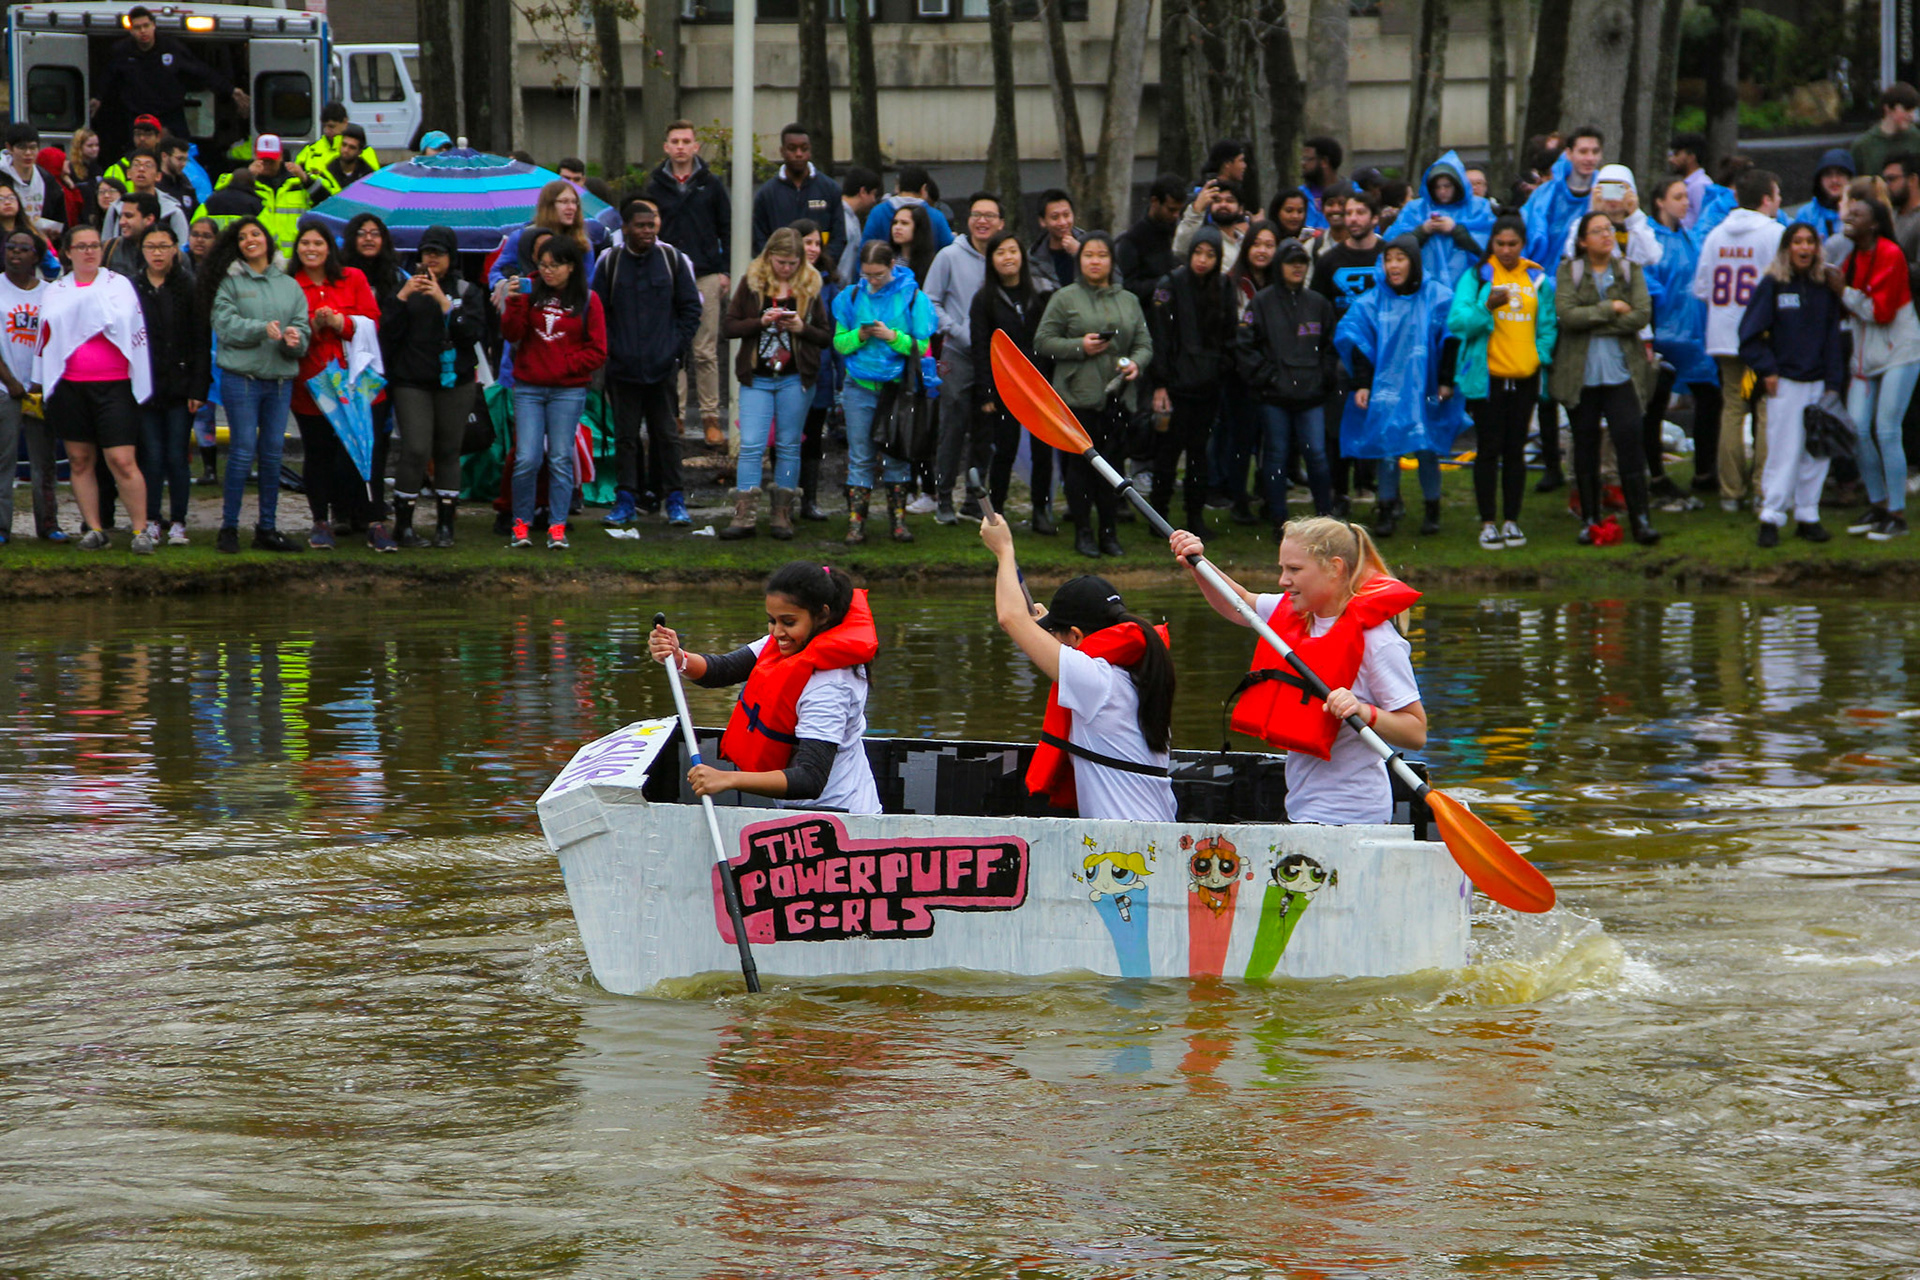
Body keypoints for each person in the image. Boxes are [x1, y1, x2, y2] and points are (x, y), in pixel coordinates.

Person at [1178, 515, 1426, 824]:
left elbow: (1416, 732)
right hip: (1302, 806)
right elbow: (1238, 602)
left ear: (1334, 568)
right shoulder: (1296, 614)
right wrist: (1198, 564)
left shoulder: (1379, 642)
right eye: (1283, 568)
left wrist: (1363, 711)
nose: (1283, 580)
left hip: (1354, 814)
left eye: (1294, 570)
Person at [648, 564, 882, 816]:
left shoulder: (830, 686)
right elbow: (722, 670)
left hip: (845, 817)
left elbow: (811, 779)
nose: (777, 632)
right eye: (772, 620)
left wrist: (727, 779)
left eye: (788, 622)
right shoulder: (789, 642)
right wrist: (678, 657)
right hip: (797, 814)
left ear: (822, 615)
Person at [32, 224, 152, 552]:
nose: (89, 252)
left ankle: (141, 530)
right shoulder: (56, 291)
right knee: (79, 458)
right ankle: (95, 529)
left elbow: (126, 322)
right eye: (81, 246)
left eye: (94, 245)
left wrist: (89, 310)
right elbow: (47, 336)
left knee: (122, 459)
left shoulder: (119, 286)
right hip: (70, 386)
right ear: (68, 252)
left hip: (115, 385)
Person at [1333, 234, 1462, 538]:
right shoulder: (1372, 301)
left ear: (1413, 262)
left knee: (1426, 448)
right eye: (1388, 259)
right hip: (1387, 389)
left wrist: (1445, 380)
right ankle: (1386, 508)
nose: (1393, 265)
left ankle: (1432, 509)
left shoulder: (1437, 296)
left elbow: (1451, 338)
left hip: (1424, 386)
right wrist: (1362, 384)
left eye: (1400, 259)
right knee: (1388, 449)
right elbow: (1358, 340)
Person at [1035, 233, 1152, 558]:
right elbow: (1042, 341)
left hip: (1118, 398)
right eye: (1089, 255)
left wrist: (1136, 363)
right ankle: (1083, 532)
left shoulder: (1128, 300)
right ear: (1079, 260)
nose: (1095, 261)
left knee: (1112, 468)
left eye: (1102, 255)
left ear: (1112, 261)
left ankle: (1109, 533)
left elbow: (1144, 343)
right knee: (1080, 469)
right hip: (1077, 397)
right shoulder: (1064, 298)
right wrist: (1079, 346)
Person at [592, 197, 703, 528]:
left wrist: (675, 348)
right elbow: (597, 311)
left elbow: (691, 308)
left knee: (667, 435)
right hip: (622, 369)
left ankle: (675, 499)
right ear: (625, 228)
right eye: (640, 226)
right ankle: (626, 499)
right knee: (625, 437)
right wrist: (611, 350)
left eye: (651, 225)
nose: (647, 231)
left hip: (662, 366)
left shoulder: (672, 260)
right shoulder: (610, 263)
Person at [1447, 213, 1556, 551]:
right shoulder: (1478, 275)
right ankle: (1487, 523)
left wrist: (1538, 357)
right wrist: (1487, 306)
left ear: (1523, 244)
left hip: (1524, 377)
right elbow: (1458, 321)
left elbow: (1547, 326)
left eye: (1513, 244)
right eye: (1500, 244)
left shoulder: (1537, 279)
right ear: (1491, 244)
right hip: (1488, 378)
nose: (1507, 250)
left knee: (1515, 450)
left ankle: (1511, 520)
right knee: (1488, 449)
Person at [198, 217, 306, 553]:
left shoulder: (290, 285)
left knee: (272, 455)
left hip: (279, 381)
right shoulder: (229, 282)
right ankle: (229, 528)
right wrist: (261, 329)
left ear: (268, 240)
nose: (250, 240)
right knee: (243, 452)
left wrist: (296, 339)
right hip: (241, 380)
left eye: (255, 234)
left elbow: (302, 327)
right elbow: (224, 325)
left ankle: (267, 529)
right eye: (242, 237)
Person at [1736, 223, 1846, 547]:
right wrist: (1768, 370)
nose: (1804, 248)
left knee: (1818, 452)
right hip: (1785, 382)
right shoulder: (1773, 284)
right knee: (1784, 452)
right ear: (1787, 248)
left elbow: (1833, 338)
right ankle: (1771, 516)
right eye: (1797, 242)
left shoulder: (1824, 287)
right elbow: (1749, 335)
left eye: (1810, 242)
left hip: (1819, 382)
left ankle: (1808, 515)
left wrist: (1833, 383)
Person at [1554, 210, 1660, 545]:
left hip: (1622, 374)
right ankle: (1590, 519)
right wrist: (1610, 308)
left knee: (1630, 442)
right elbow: (1567, 316)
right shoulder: (1569, 271)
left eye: (1609, 230)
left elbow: (1641, 315)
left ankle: (1641, 519)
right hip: (1580, 376)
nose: (1606, 235)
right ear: (1583, 241)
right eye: (1598, 231)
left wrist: (1594, 322)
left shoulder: (1630, 269)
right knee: (1585, 446)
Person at [717, 227, 830, 540]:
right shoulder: (752, 282)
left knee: (789, 444)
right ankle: (744, 515)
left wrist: (800, 327)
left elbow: (825, 336)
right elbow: (729, 327)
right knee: (752, 444)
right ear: (769, 256)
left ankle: (782, 513)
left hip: (796, 377)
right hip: (757, 378)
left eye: (793, 263)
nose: (787, 268)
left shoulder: (811, 285)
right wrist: (761, 322)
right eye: (781, 262)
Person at [496, 235, 606, 550]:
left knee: (559, 458)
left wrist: (566, 364)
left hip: (568, 390)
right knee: (526, 458)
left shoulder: (588, 299)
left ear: (571, 267)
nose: (547, 271)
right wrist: (515, 302)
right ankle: (521, 524)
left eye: (555, 265)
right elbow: (511, 333)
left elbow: (598, 350)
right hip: (529, 388)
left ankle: (557, 526)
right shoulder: (528, 291)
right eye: (543, 265)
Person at [379, 224, 486, 547]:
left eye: (438, 253)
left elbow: (471, 334)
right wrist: (402, 297)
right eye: (427, 252)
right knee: (415, 448)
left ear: (451, 256)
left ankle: (445, 525)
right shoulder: (403, 288)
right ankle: (404, 526)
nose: (432, 259)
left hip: (455, 381)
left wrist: (444, 302)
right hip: (412, 380)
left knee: (449, 450)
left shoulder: (467, 290)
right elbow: (386, 334)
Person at [284, 218, 386, 550]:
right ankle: (320, 521)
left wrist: (341, 322)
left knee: (361, 450)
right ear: (297, 248)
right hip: (312, 385)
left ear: (330, 248)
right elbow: (288, 333)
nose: (311, 249)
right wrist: (315, 325)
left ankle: (371, 520)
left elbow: (372, 321)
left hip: (356, 382)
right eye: (305, 243)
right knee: (318, 454)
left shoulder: (353, 277)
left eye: (318, 243)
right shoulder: (289, 285)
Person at [831, 241, 937, 544]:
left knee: (897, 454)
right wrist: (861, 334)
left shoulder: (913, 298)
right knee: (860, 456)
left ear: (892, 265)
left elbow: (923, 346)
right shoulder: (851, 296)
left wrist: (892, 336)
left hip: (898, 389)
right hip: (859, 386)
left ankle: (898, 523)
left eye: (878, 274)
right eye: (867, 275)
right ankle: (856, 524)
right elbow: (840, 343)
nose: (873, 281)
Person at [1692, 167, 1784, 512]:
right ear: (1766, 199)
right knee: (1765, 407)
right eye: (1777, 195)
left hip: (1724, 335)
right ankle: (1763, 489)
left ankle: (1731, 491)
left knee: (1732, 407)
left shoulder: (1716, 234)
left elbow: (1702, 289)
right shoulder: (1775, 234)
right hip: (1761, 337)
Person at [1240, 236, 1340, 532]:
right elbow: (1245, 346)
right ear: (1279, 266)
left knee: (1317, 455)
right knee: (1275, 457)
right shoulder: (1261, 302)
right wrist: (1268, 377)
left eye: (1302, 263)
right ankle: (1278, 520)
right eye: (1291, 263)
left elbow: (1331, 346)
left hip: (1311, 397)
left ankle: (1326, 518)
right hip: (1274, 397)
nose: (1297, 268)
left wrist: (1322, 378)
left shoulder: (1318, 304)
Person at [1836, 192, 1920, 541]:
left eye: (1856, 214)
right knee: (1856, 429)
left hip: (1900, 352)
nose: (1848, 218)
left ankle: (1897, 515)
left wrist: (1843, 292)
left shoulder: (1890, 253)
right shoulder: (1852, 257)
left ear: (1873, 224)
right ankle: (1878, 503)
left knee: (1886, 430)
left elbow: (1882, 312)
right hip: (1865, 358)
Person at [644, 120, 733, 448]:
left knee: (705, 349)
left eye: (686, 141)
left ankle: (711, 417)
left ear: (696, 146)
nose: (680, 147)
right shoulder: (654, 186)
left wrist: (725, 270)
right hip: (667, 272)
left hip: (706, 272)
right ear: (666, 147)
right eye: (675, 141)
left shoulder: (711, 184)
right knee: (673, 348)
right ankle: (675, 414)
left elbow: (727, 227)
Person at [1148, 224, 1234, 534]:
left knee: (1199, 455)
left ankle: (1194, 515)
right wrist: (1160, 383)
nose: (1203, 260)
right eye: (1198, 252)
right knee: (1167, 454)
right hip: (1175, 385)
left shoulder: (1223, 286)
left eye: (1210, 254)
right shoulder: (1170, 284)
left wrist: (1220, 369)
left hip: (1207, 386)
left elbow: (1229, 335)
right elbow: (1160, 337)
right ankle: (1158, 516)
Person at [924, 190, 1004, 523]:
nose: (982, 221)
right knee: (952, 428)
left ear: (1001, 223)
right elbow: (930, 300)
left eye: (989, 216)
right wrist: (956, 330)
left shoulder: (1004, 256)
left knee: (986, 430)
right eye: (976, 215)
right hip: (957, 354)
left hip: (995, 359)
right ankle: (943, 498)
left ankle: (975, 500)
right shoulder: (949, 256)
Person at [969, 229, 1057, 531]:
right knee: (1004, 449)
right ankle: (997, 512)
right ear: (991, 260)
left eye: (1013, 251)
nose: (1008, 257)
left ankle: (1041, 509)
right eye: (1000, 252)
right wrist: (986, 392)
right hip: (1004, 386)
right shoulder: (984, 299)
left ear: (1022, 255)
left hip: (1039, 384)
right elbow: (980, 347)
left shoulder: (1041, 293)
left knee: (1043, 450)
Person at [1644, 176, 1723, 500]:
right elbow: (1649, 287)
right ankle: (1656, 475)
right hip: (1663, 336)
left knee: (1710, 397)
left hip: (1691, 336)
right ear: (1660, 201)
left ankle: (1704, 472)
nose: (1686, 202)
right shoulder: (1649, 238)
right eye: (1677, 196)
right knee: (1654, 405)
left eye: (1686, 196)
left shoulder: (1687, 236)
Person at [129, 224, 201, 546]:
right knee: (152, 455)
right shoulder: (132, 287)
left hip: (180, 386)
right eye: (150, 246)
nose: (157, 253)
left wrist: (198, 388)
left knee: (177, 455)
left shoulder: (189, 286)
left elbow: (201, 340)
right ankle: (152, 518)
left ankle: (179, 521)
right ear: (142, 250)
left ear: (175, 249)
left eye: (163, 246)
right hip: (145, 387)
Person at [90, 7, 248, 144]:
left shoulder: (171, 47)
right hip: (138, 115)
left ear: (154, 26)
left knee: (182, 152)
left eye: (146, 26)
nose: (143, 31)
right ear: (131, 31)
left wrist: (231, 90)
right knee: (139, 155)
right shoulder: (121, 51)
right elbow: (107, 77)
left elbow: (200, 70)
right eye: (137, 27)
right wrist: (97, 97)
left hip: (171, 114)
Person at [340, 212, 408, 519]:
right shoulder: (340, 274)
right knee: (346, 436)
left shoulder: (397, 277)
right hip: (346, 365)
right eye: (362, 232)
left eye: (375, 233)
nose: (368, 238)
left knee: (378, 437)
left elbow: (398, 323)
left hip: (383, 368)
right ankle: (344, 508)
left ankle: (373, 505)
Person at [0, 232, 54, 545]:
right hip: (5, 388)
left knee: (43, 461)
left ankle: (48, 524)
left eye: (23, 249)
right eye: (11, 248)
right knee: (3, 459)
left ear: (36, 256)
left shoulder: (50, 293)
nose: (15, 254)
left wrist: (39, 381)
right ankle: (2, 527)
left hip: (39, 389)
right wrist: (10, 382)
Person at [789, 218, 840, 523]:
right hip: (785, 371)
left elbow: (834, 332)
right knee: (786, 437)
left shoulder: (829, 283)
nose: (813, 248)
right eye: (806, 242)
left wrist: (839, 376)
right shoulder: (779, 278)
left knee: (813, 437)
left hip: (819, 373)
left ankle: (809, 499)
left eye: (817, 243)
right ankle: (785, 499)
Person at [1385, 151, 1495, 291]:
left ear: (1457, 184)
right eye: (1437, 187)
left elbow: (1488, 248)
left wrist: (1456, 230)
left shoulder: (1478, 207)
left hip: (1468, 287)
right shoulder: (1415, 209)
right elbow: (1394, 247)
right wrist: (1422, 231)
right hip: (1423, 289)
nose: (1442, 191)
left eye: (1447, 186)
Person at [751, 123, 840, 255]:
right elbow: (759, 239)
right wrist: (780, 263)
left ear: (810, 151)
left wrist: (823, 263)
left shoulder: (830, 189)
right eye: (792, 149)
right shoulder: (767, 194)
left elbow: (839, 237)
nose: (799, 154)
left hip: (819, 266)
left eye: (804, 149)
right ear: (782, 151)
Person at [489, 179, 593, 291]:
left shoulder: (582, 242)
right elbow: (495, 273)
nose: (572, 207)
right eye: (564, 202)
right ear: (548, 205)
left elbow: (588, 283)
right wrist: (507, 286)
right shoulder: (521, 237)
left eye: (574, 202)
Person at [1522, 125, 1604, 266]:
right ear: (1569, 153)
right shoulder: (1545, 195)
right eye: (1583, 152)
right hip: (1542, 275)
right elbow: (1525, 235)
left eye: (1595, 152)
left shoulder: (1605, 192)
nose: (1590, 158)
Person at [1115, 173, 1186, 313]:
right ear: (1154, 201)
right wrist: (1167, 281)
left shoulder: (1176, 231)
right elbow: (1129, 288)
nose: (1176, 215)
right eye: (1171, 210)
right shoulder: (1133, 239)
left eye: (1179, 210)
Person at [102, 149, 189, 247]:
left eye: (148, 165)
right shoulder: (116, 209)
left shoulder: (172, 212)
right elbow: (106, 246)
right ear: (128, 173)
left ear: (158, 176)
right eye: (136, 165)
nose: (141, 169)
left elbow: (181, 249)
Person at [859, 164, 954, 251]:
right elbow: (948, 249)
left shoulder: (878, 212)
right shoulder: (936, 216)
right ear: (924, 189)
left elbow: (864, 249)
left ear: (898, 187)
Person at [1174, 178, 1248, 273]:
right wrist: (1196, 209)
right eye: (1217, 201)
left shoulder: (1246, 241)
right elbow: (1180, 250)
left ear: (1241, 209)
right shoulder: (1203, 238)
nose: (1223, 205)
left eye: (1229, 201)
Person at [2, 124, 62, 238]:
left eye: (33, 147)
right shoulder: (2, 178)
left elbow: (58, 215)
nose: (28, 153)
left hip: (40, 241)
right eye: (22, 147)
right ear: (9, 148)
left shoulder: (47, 180)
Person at [1851, 83, 1920, 181]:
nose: (1912, 116)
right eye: (1907, 110)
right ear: (1888, 109)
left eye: (1913, 111)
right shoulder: (1863, 146)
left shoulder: (1916, 139)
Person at [296, 102, 384, 177]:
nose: (327, 131)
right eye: (324, 126)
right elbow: (295, 176)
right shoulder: (310, 149)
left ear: (345, 122)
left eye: (331, 126)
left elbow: (374, 182)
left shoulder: (364, 151)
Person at [1030, 188, 1091, 289]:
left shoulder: (1092, 243)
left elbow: (1111, 279)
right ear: (1042, 221)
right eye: (1055, 217)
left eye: (1066, 215)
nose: (1062, 222)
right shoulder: (1034, 258)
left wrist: (1081, 253)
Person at [834, 166, 883, 283]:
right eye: (873, 194)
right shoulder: (845, 222)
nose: (874, 200)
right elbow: (844, 265)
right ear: (863, 192)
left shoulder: (849, 218)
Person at [1790, 149, 1854, 239]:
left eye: (1840, 174)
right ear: (1819, 180)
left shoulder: (1859, 212)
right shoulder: (1806, 214)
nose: (1834, 180)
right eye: (1828, 174)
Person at [304, 124, 375, 202]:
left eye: (352, 147)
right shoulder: (328, 170)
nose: (346, 150)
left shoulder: (368, 174)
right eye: (344, 145)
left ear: (360, 151)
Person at [1301, 135, 1353, 231]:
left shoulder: (1354, 193)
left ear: (1324, 161)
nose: (1303, 164)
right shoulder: (1299, 195)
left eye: (1307, 159)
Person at [1667, 132, 1712, 231]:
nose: (1671, 160)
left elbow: (1705, 223)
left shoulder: (1699, 185)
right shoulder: (1688, 184)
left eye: (1676, 154)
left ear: (1691, 157)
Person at [887, 201, 938, 285]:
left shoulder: (932, 264)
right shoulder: (887, 259)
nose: (897, 227)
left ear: (918, 228)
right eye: (895, 222)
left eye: (904, 223)